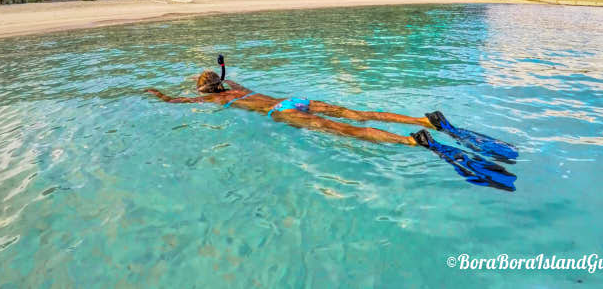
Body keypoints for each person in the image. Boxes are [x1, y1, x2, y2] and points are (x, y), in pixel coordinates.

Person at [147, 66, 518, 191]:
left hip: (281, 112)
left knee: (345, 131)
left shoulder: (213, 99)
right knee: (357, 113)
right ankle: (423, 120)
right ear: (223, 81)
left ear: (203, 90)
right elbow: (229, 82)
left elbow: (173, 102)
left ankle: (412, 139)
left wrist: (155, 93)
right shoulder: (238, 88)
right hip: (294, 99)